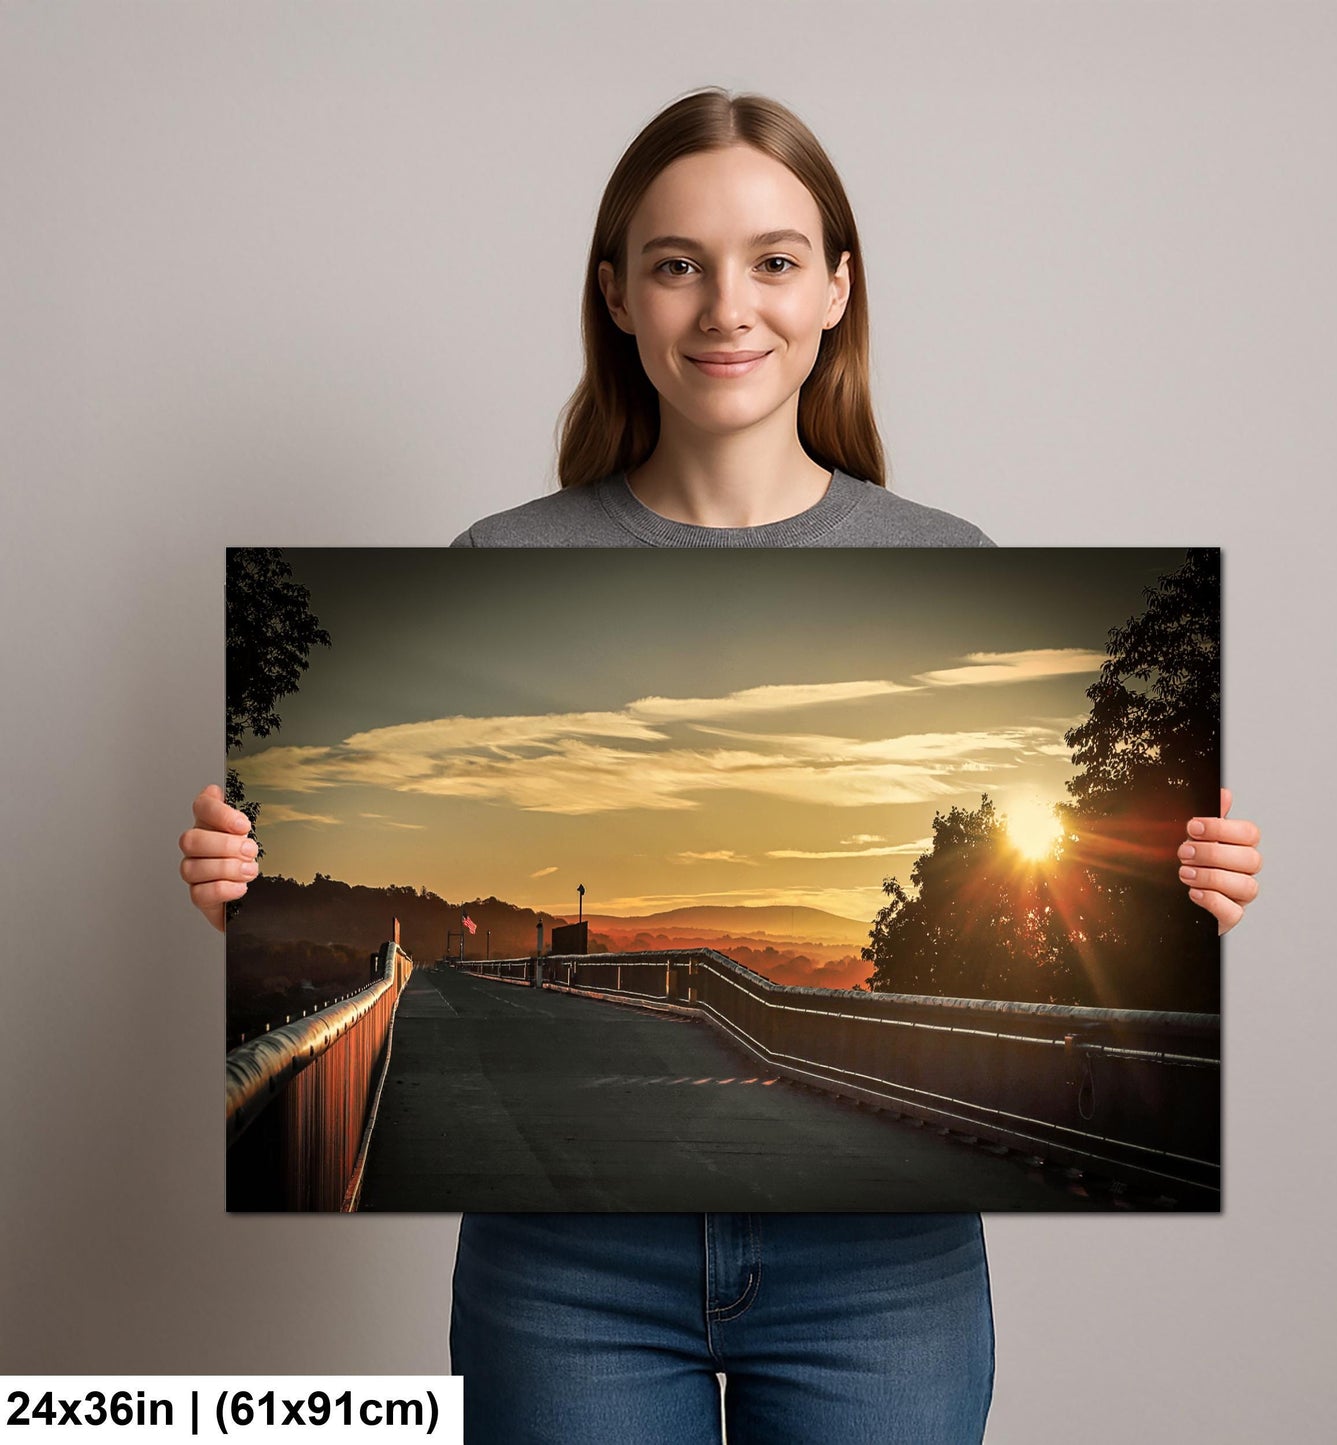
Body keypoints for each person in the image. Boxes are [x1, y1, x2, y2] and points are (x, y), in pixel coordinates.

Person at [180, 88, 1263, 1445]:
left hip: (886, 1277)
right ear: (617, 295)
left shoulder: (947, 560)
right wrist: (238, 882)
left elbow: (1111, 878)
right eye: (678, 263)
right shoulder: (502, 560)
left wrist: (1195, 884)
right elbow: (277, 850)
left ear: (836, 289)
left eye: (774, 260)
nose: (726, 307)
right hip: (564, 1277)